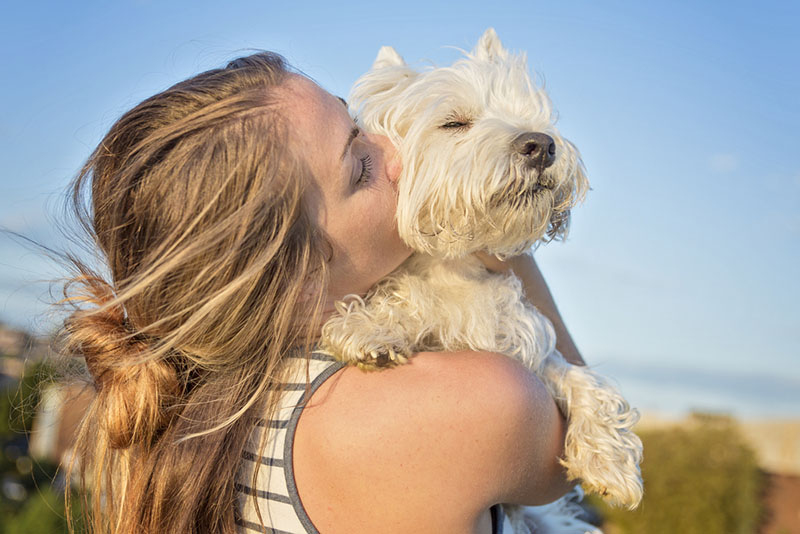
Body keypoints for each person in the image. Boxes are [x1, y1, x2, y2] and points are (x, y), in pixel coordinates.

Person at [58, 51, 584, 534]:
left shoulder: (203, 416)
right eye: (360, 167)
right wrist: (500, 233)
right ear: (301, 281)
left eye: (361, 128)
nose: (395, 153)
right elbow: (578, 448)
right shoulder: (473, 403)